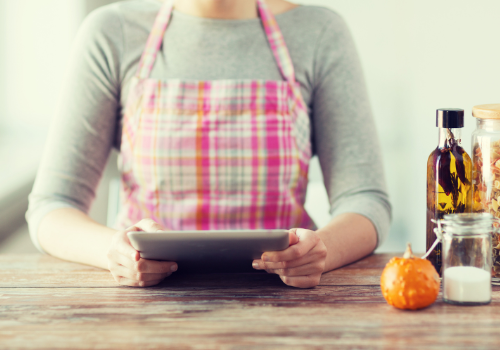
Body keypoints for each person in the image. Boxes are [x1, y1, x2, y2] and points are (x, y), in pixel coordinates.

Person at [27, 0, 391, 288]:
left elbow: (365, 198)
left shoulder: (319, 32)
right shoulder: (112, 33)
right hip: (146, 309)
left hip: (284, 299)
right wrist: (114, 251)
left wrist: (321, 251)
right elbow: (53, 205)